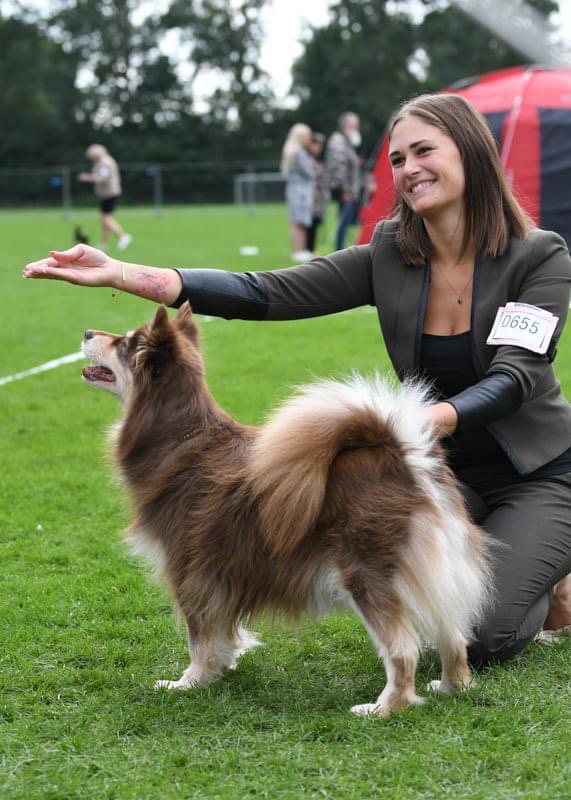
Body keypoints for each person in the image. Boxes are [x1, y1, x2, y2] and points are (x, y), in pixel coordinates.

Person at [23, 93, 571, 664]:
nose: (409, 169)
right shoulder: (390, 253)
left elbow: (514, 377)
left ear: (471, 152)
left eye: (423, 151)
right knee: (432, 586)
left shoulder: (539, 257)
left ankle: (555, 574)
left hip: (539, 476)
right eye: (397, 159)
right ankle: (523, 556)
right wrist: (123, 273)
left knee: (481, 633)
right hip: (441, 471)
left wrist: (428, 417)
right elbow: (267, 292)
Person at [78, 144, 132, 252]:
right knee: (105, 219)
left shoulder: (105, 163)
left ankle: (123, 236)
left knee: (105, 218)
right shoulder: (104, 161)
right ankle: (103, 244)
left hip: (109, 193)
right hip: (106, 193)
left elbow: (102, 177)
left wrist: (87, 177)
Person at [325, 111, 363, 250]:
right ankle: (339, 251)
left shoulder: (345, 142)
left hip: (349, 190)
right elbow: (338, 168)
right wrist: (344, 191)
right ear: (345, 126)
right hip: (345, 191)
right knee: (343, 223)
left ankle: (342, 250)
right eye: (355, 126)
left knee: (347, 222)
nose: (357, 129)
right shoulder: (338, 142)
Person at [280, 123, 316, 261]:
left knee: (298, 221)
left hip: (295, 189)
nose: (310, 139)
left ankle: (300, 250)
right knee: (298, 222)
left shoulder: (292, 151)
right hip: (300, 191)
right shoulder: (299, 153)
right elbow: (309, 172)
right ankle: (298, 251)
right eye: (308, 135)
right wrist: (312, 164)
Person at [306, 132, 328, 254]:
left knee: (315, 223)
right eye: (316, 145)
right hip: (311, 198)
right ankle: (308, 249)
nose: (318, 148)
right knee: (310, 224)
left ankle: (311, 249)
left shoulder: (318, 160)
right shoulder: (307, 159)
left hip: (319, 198)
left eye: (320, 146)